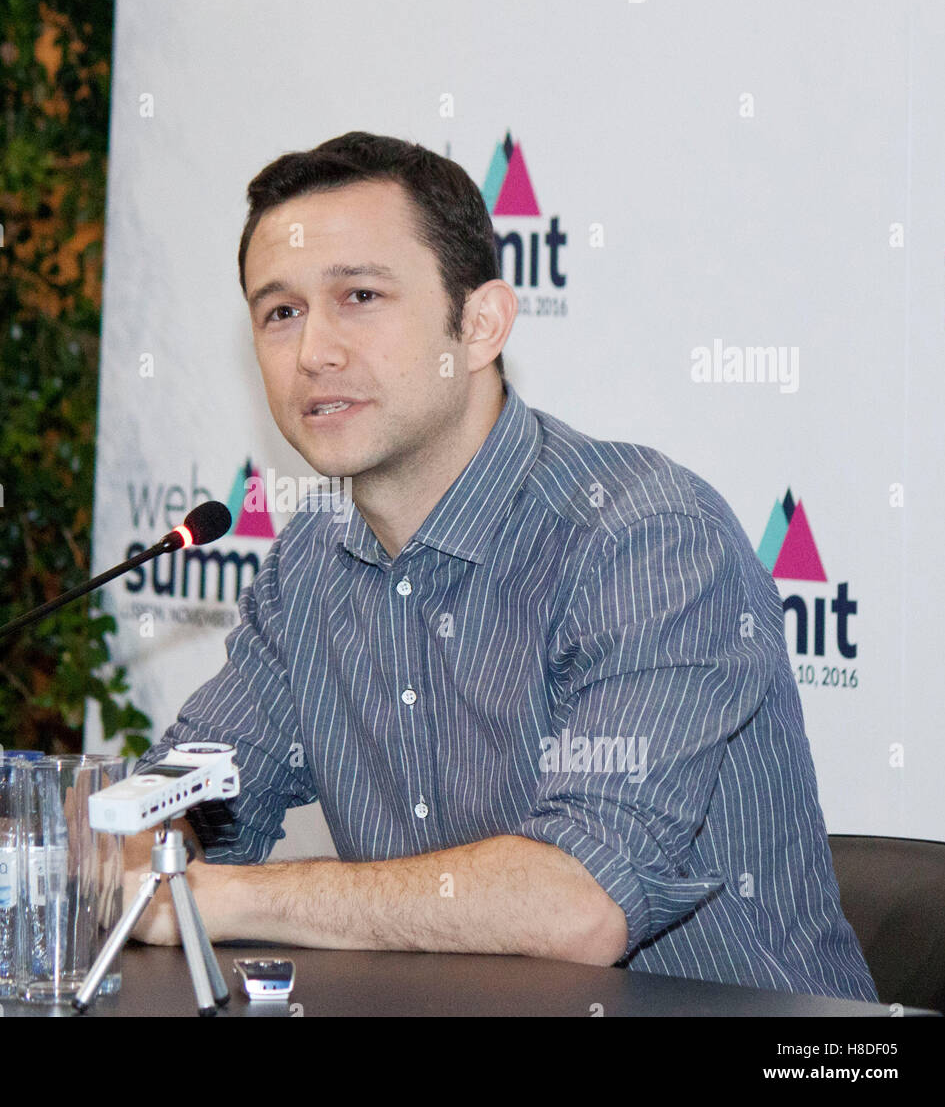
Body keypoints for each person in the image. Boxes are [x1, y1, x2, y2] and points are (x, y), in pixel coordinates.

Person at [125, 131, 878, 1002]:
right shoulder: (310, 563)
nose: (313, 352)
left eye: (360, 296)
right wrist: (132, 835)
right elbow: (184, 800)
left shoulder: (644, 537)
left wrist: (213, 897)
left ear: (481, 324)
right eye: (280, 312)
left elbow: (579, 903)